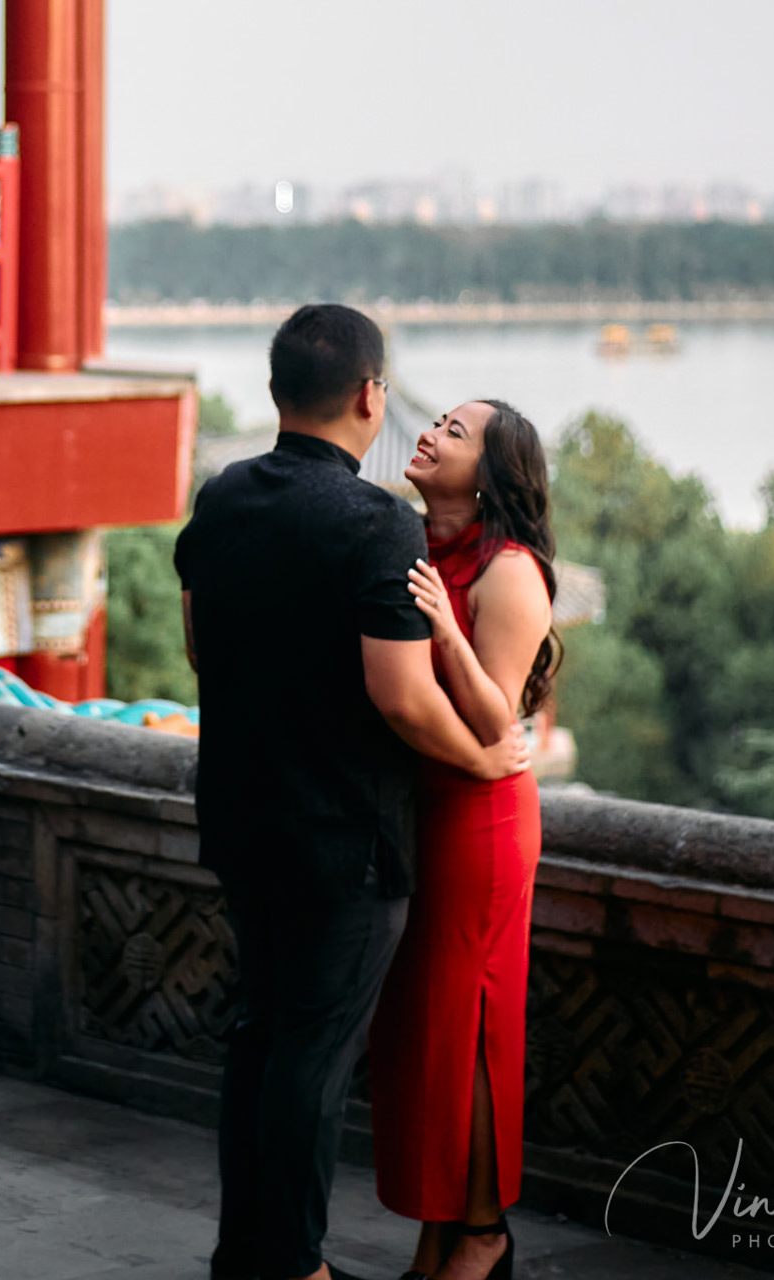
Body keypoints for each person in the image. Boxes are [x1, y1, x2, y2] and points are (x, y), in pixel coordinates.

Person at [174, 306, 531, 1280]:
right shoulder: (376, 520)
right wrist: (483, 756)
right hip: (347, 839)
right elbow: (402, 695)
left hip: (242, 818)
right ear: (371, 394)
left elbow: (201, 645)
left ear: (277, 388)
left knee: (258, 1035)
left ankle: (243, 1251)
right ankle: (295, 1262)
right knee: (312, 1057)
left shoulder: (223, 495)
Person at [368, 399, 557, 1280]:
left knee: (473, 1026)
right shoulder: (406, 544)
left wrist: (446, 628)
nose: (432, 433)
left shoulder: (508, 569)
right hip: (420, 811)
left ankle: (482, 1233)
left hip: (481, 818)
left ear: (489, 470)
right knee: (427, 1032)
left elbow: (497, 723)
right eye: (435, 419)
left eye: (456, 431)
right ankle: (435, 1238)